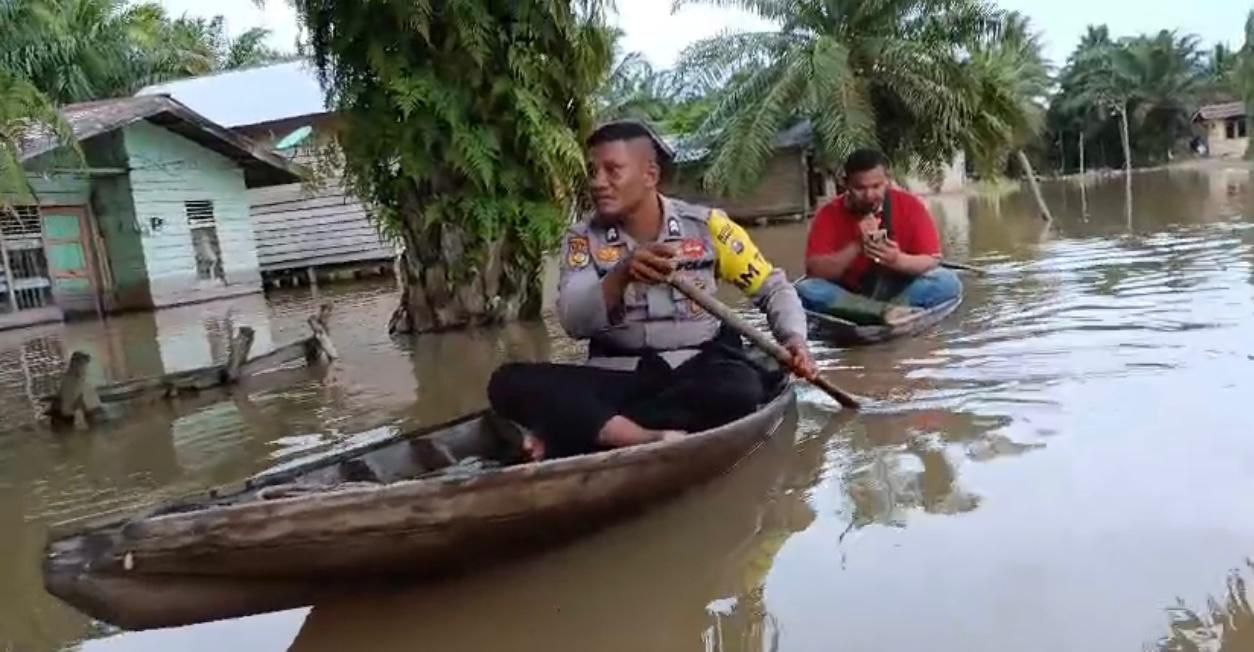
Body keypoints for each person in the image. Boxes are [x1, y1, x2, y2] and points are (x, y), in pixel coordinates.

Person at [488, 120, 815, 461]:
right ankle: (640, 436)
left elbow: (773, 288)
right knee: (507, 382)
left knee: (739, 389)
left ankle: (581, 431)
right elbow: (573, 322)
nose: (597, 182)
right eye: (593, 171)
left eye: (612, 170)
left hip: (697, 369)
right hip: (618, 375)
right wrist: (620, 275)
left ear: (650, 175)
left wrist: (795, 338)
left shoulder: (708, 228)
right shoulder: (582, 239)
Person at [797, 149, 961, 326]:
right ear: (845, 183)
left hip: (900, 290)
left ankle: (883, 311)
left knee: (946, 281)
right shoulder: (828, 214)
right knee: (805, 289)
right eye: (860, 188)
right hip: (851, 292)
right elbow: (815, 272)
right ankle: (881, 312)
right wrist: (857, 245)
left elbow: (931, 260)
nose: (869, 196)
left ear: (887, 181)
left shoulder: (909, 205)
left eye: (876, 187)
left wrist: (897, 260)